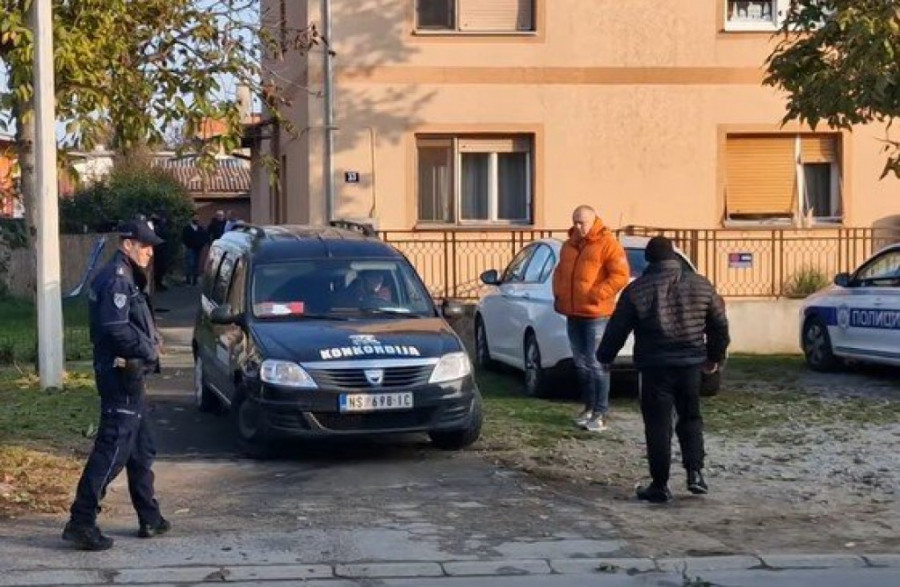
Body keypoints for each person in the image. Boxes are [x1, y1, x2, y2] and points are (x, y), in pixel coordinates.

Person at [63, 219, 170, 551]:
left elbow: (132, 324)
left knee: (141, 449)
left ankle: (149, 517)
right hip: (120, 377)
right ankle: (81, 521)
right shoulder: (117, 279)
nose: (150, 252)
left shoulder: (126, 276)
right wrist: (149, 349)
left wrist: (150, 340)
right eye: (145, 245)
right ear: (128, 244)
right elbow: (116, 329)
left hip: (132, 377)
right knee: (112, 450)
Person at [597, 236, 730, 503]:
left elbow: (618, 327)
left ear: (648, 259)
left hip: (654, 366)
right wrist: (714, 356)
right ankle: (695, 474)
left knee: (657, 425)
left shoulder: (637, 290)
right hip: (690, 364)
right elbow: (719, 324)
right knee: (690, 417)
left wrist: (605, 356)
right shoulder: (701, 285)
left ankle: (660, 484)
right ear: (675, 257)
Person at [552, 205, 629, 432]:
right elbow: (559, 273)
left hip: (596, 314)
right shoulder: (568, 245)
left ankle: (600, 412)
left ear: (593, 221)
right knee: (581, 363)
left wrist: (597, 294)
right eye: (575, 222)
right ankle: (588, 408)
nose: (577, 226)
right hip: (573, 312)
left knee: (597, 364)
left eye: (582, 222)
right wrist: (559, 294)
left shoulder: (608, 244)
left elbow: (620, 275)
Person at [181, 213, 208, 286]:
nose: (196, 219)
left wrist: (202, 244)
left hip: (198, 248)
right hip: (190, 248)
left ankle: (195, 280)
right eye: (195, 218)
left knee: (196, 263)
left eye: (197, 218)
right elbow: (184, 238)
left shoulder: (201, 228)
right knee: (190, 263)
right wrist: (187, 245)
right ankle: (188, 279)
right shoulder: (187, 228)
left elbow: (205, 237)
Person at [150, 212, 169, 292]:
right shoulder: (152, 227)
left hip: (161, 249)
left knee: (160, 268)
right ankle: (156, 284)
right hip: (155, 249)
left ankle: (158, 283)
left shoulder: (161, 227)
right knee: (156, 268)